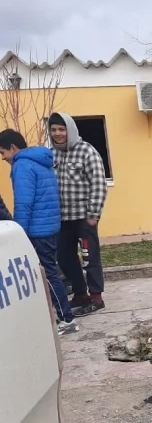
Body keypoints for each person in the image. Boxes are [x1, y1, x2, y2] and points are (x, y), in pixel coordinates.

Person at [0, 129, 78, 334]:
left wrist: (19, 234)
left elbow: (24, 203)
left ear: (13, 148)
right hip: (49, 227)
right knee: (49, 272)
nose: (3, 158)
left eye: (3, 153)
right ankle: (58, 316)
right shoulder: (41, 162)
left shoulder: (22, 165)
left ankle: (67, 319)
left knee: (48, 275)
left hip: (36, 230)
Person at [48, 112, 109, 316]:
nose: (58, 133)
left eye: (62, 129)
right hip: (61, 219)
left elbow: (99, 184)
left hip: (84, 217)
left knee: (89, 258)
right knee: (64, 258)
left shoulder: (87, 152)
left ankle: (96, 297)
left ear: (70, 130)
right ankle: (81, 294)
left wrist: (93, 214)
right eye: (54, 129)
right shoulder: (51, 154)